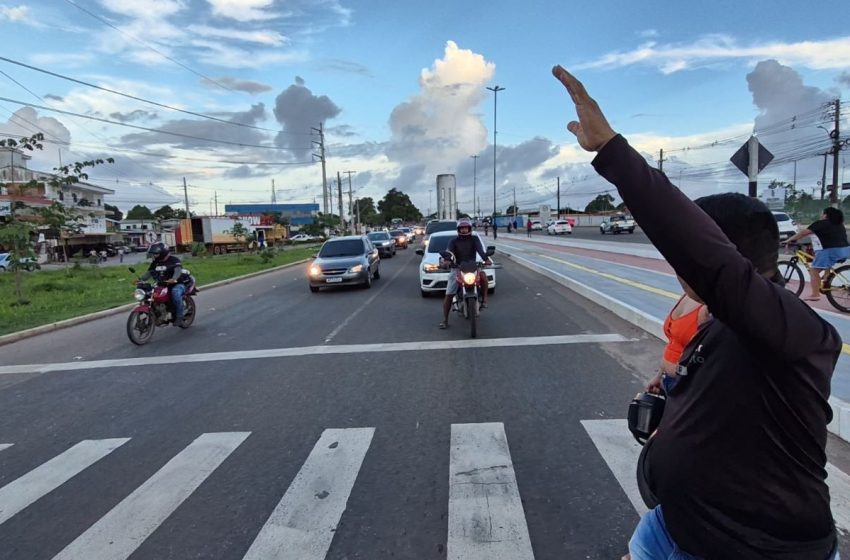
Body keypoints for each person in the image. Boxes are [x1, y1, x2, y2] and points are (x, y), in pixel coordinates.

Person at [552, 65, 840, 560]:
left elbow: (706, 256)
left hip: (749, 549)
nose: (677, 264)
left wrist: (613, 153)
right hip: (676, 524)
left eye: (686, 256)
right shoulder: (719, 321)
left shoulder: (795, 329)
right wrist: (672, 388)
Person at [646, 294, 709, 395]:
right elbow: (673, 343)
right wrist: (659, 375)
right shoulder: (687, 294)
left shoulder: (708, 308)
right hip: (668, 381)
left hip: (688, 388)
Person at [784, 207, 850, 302]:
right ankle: (827, 277)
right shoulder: (839, 224)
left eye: (822, 213)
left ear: (826, 215)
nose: (821, 215)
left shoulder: (820, 223)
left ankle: (815, 294)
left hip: (830, 251)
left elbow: (804, 233)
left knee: (814, 271)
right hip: (845, 250)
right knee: (826, 261)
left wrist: (789, 240)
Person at [439, 218, 492, 329]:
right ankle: (445, 320)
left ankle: (485, 300)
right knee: (449, 294)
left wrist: (486, 259)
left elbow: (481, 251)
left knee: (483, 276)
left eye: (466, 228)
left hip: (472, 267)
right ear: (459, 229)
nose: (464, 230)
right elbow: (449, 252)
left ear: (469, 228)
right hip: (457, 268)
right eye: (462, 228)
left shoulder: (474, 239)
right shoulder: (453, 241)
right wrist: (447, 260)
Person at [139, 242, 187, 327]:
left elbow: (178, 271)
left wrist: (173, 279)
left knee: (175, 293)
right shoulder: (155, 263)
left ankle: (180, 316)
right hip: (162, 284)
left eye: (156, 254)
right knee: (149, 294)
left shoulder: (174, 260)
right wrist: (140, 279)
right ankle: (158, 313)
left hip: (176, 284)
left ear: (162, 253)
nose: (154, 256)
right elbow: (149, 273)